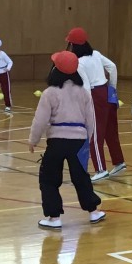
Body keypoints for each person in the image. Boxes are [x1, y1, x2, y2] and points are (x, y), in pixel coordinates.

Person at [28, 51, 106, 230]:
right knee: (81, 177)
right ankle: (94, 212)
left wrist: (33, 140)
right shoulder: (84, 93)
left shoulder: (49, 93)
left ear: (55, 69)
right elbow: (90, 119)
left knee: (49, 178)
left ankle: (54, 218)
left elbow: (40, 120)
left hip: (56, 141)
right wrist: (87, 139)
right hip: (78, 141)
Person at [66, 27, 125, 183]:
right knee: (111, 130)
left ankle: (101, 169)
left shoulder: (79, 63)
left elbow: (86, 87)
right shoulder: (96, 54)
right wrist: (112, 88)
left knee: (95, 134)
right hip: (107, 91)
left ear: (73, 45)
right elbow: (112, 67)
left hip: (95, 96)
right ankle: (119, 162)